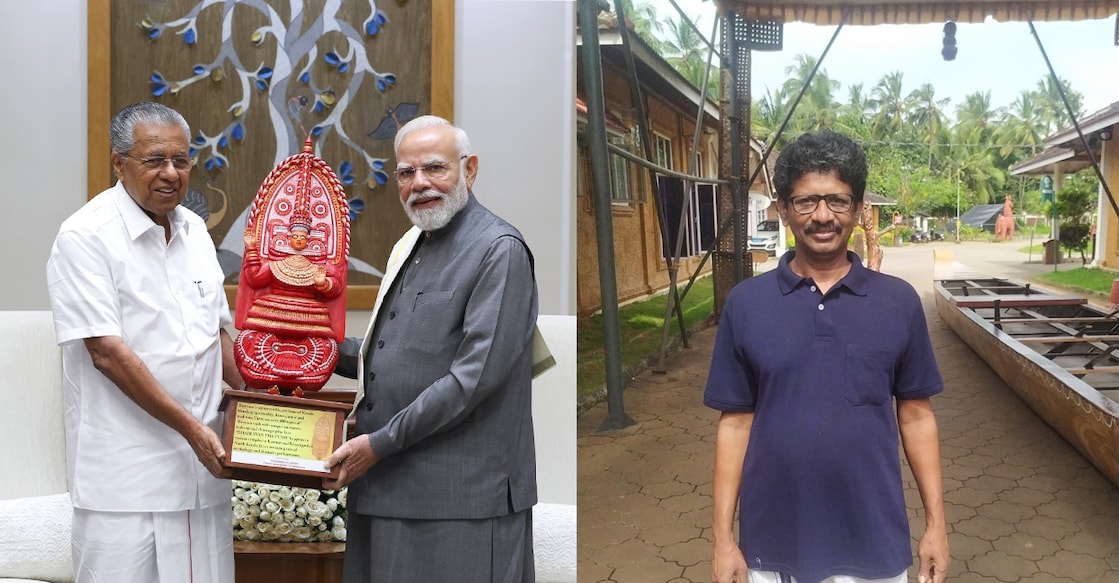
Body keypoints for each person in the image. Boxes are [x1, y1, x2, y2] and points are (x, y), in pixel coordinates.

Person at [704, 130, 949, 583]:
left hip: (873, 541)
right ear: (782, 209)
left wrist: (937, 525)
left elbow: (916, 417)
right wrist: (723, 540)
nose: (822, 216)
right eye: (805, 202)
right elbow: (735, 425)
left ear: (858, 210)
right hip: (771, 547)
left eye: (838, 202)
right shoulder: (747, 304)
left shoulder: (898, 303)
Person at [323, 115, 539, 582]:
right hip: (384, 489)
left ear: (470, 169)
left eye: (435, 168)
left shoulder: (498, 249)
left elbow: (472, 378)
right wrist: (311, 349)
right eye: (406, 173)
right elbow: (393, 357)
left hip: (460, 502)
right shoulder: (413, 245)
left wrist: (377, 445)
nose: (420, 184)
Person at [46, 102, 242, 582]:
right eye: (154, 159)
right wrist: (193, 430)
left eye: (181, 160)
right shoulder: (84, 236)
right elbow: (107, 354)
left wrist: (261, 410)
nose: (171, 173)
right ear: (119, 162)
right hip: (126, 483)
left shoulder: (195, 230)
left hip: (205, 477)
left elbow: (218, 335)